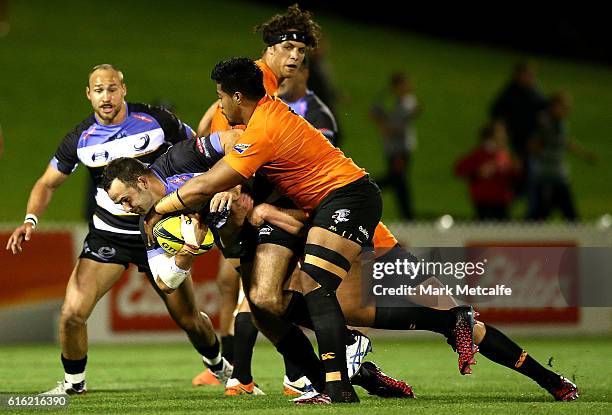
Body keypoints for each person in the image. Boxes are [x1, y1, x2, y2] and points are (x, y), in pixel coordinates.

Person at [102, 135, 414, 401]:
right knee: (268, 316)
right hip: (239, 240)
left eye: (125, 199)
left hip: (264, 208)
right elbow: (165, 281)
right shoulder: (149, 223)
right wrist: (187, 251)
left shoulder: (179, 159)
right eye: (120, 204)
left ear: (141, 181)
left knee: (306, 298)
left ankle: (353, 348)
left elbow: (237, 139)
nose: (126, 209)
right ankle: (347, 379)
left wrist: (229, 181)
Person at [144, 57, 383, 404]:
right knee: (264, 301)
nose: (220, 105)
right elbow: (219, 170)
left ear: (237, 96)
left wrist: (158, 210)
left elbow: (207, 182)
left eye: (221, 96)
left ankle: (335, 380)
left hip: (332, 198)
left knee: (308, 289)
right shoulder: (263, 116)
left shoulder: (262, 128)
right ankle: (328, 380)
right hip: (303, 205)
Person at [5, 64, 230, 395]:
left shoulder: (156, 121)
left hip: (159, 228)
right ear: (88, 94)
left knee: (189, 320)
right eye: (99, 90)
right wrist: (30, 219)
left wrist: (215, 188)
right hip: (109, 233)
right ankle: (72, 385)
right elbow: (47, 183)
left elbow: (198, 148)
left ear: (123, 90)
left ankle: (219, 367)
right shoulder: (79, 140)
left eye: (112, 89)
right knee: (71, 314)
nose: (106, 97)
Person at [526, 92, 596, 221]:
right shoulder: (543, 122)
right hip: (545, 175)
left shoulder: (560, 123)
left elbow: (564, 142)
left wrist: (584, 154)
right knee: (542, 212)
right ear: (553, 106)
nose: (568, 110)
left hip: (558, 174)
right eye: (564, 107)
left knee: (563, 211)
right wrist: (541, 155)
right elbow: (533, 145)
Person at [490, 60, 548, 194]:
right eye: (528, 74)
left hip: (530, 140)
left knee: (530, 174)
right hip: (514, 139)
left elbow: (544, 115)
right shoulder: (510, 93)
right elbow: (496, 112)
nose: (531, 78)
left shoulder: (535, 94)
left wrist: (538, 137)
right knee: (520, 172)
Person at [370, 71, 420, 220]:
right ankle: (407, 216)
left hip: (400, 149)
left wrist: (385, 124)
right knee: (398, 181)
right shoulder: (394, 101)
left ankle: (369, 188)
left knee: (397, 180)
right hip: (392, 148)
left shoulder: (406, 102)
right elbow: (373, 113)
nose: (408, 87)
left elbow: (400, 122)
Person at [454, 121, 521, 220]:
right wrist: (478, 172)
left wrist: (515, 168)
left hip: (501, 199)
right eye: (501, 132)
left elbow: (512, 176)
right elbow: (459, 169)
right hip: (484, 199)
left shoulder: (504, 154)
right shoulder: (481, 154)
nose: (505, 135)